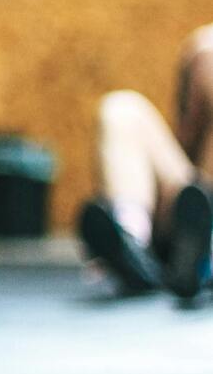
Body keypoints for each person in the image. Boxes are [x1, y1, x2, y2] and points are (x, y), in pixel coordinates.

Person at [79, 25, 213, 299]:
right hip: (192, 205)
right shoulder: (205, 48)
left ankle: (203, 255)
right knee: (121, 109)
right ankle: (131, 244)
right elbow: (186, 138)